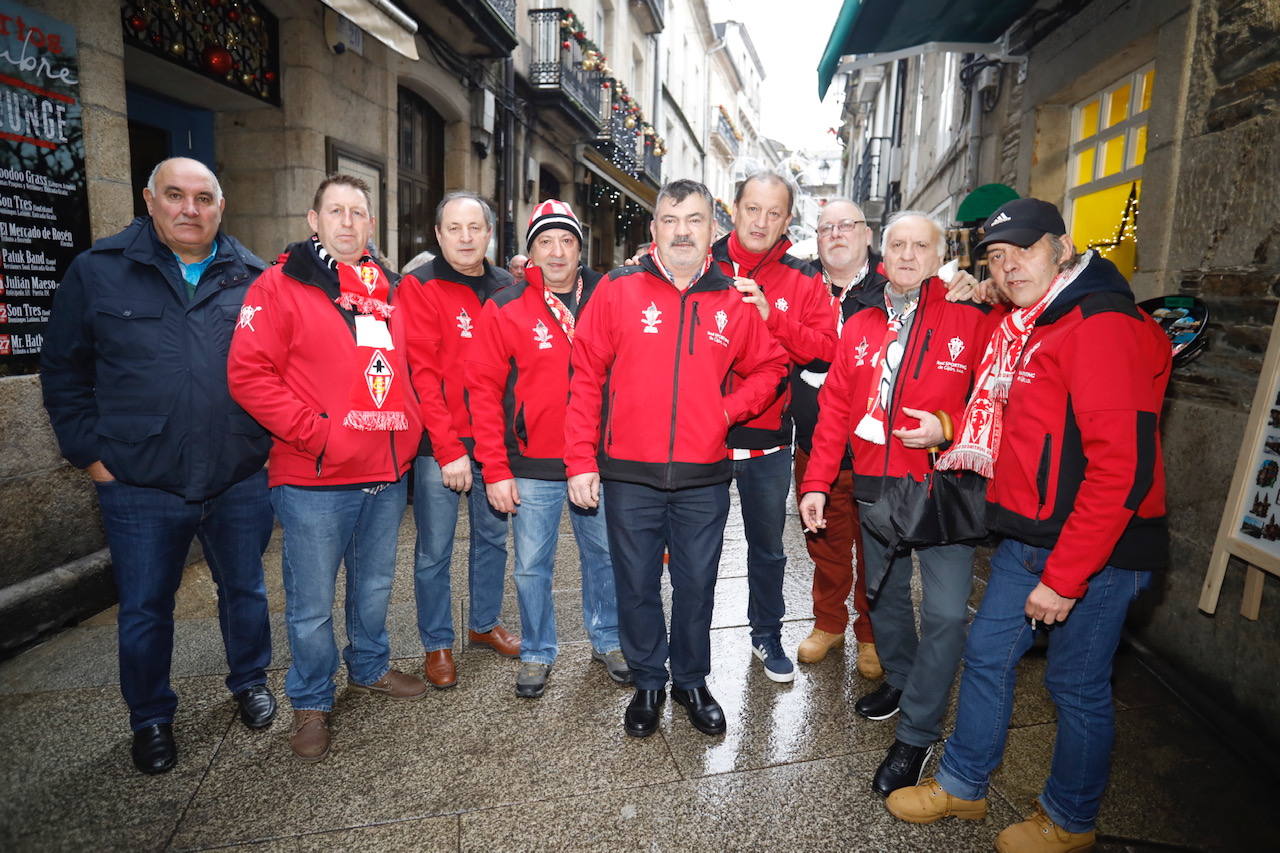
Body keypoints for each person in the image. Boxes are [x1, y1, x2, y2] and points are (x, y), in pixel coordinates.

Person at [885, 198, 1170, 853]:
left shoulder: (1100, 324)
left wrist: (1067, 577)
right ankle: (964, 782)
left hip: (1101, 548)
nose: (1011, 265)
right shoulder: (1031, 323)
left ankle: (1069, 819)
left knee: (1075, 683)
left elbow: (1121, 467)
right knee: (986, 656)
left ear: (1061, 246)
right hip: (1031, 536)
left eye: (1025, 249)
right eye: (997, 255)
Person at [41, 157, 276, 776]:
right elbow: (64, 373)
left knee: (245, 590)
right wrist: (91, 457)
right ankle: (150, 716)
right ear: (150, 200)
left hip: (237, 474)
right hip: (139, 481)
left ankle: (249, 679)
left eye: (203, 197)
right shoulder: (99, 272)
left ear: (221, 207)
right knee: (146, 606)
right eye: (175, 195)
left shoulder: (254, 277)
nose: (189, 209)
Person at [565, 179, 789, 738]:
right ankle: (648, 682)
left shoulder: (733, 300)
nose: (682, 231)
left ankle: (690, 679)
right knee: (636, 582)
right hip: (628, 473)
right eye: (670, 219)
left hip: (703, 475)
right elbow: (585, 377)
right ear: (654, 229)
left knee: (697, 583)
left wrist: (724, 410)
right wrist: (579, 461)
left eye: (693, 220)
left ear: (714, 230)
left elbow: (772, 365)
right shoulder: (617, 290)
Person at [227, 174, 428, 762]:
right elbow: (248, 375)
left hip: (386, 474)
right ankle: (312, 699)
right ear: (314, 220)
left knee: (373, 586)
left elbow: (412, 368)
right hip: (314, 476)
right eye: (334, 211)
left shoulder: (390, 290)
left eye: (357, 212)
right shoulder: (279, 284)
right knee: (311, 603)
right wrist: (318, 434)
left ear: (370, 224)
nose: (346, 222)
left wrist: (410, 429)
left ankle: (369, 666)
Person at [798, 211, 997, 797]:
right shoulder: (860, 324)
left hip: (943, 490)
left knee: (941, 614)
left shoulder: (972, 318)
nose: (908, 255)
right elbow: (835, 407)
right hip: (875, 485)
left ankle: (917, 732)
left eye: (921, 246)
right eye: (898, 245)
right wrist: (815, 483)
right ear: (882, 254)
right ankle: (903, 681)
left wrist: (945, 425)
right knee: (882, 598)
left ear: (939, 257)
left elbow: (995, 401)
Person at [466, 200, 627, 698]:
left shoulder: (610, 295)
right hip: (532, 463)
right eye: (545, 242)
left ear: (581, 246)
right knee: (532, 563)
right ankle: (537, 649)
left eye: (567, 241)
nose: (557, 252)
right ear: (530, 250)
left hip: (599, 459)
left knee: (603, 557)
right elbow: (483, 391)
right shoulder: (505, 305)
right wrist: (494, 468)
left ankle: (608, 638)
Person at [711, 169, 837, 684]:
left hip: (767, 435)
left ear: (788, 218)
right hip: (706, 433)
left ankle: (767, 632)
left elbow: (829, 351)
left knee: (767, 546)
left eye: (774, 212)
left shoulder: (803, 276)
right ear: (734, 209)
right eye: (753, 209)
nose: (761, 221)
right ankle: (687, 639)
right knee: (697, 548)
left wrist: (771, 316)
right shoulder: (700, 261)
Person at [400, 192, 518, 689]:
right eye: (455, 228)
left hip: (494, 438)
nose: (466, 237)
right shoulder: (420, 285)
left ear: (489, 233)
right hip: (440, 443)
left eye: (475, 227)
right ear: (439, 233)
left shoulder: (507, 286)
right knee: (435, 549)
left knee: (493, 538)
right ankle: (437, 641)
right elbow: (421, 374)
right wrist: (448, 450)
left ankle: (484, 621)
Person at [790, 198, 881, 676]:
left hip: (874, 454)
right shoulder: (800, 286)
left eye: (848, 226)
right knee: (823, 543)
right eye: (826, 228)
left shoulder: (896, 289)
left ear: (867, 235)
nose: (837, 234)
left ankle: (871, 632)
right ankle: (828, 622)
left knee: (875, 547)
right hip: (813, 447)